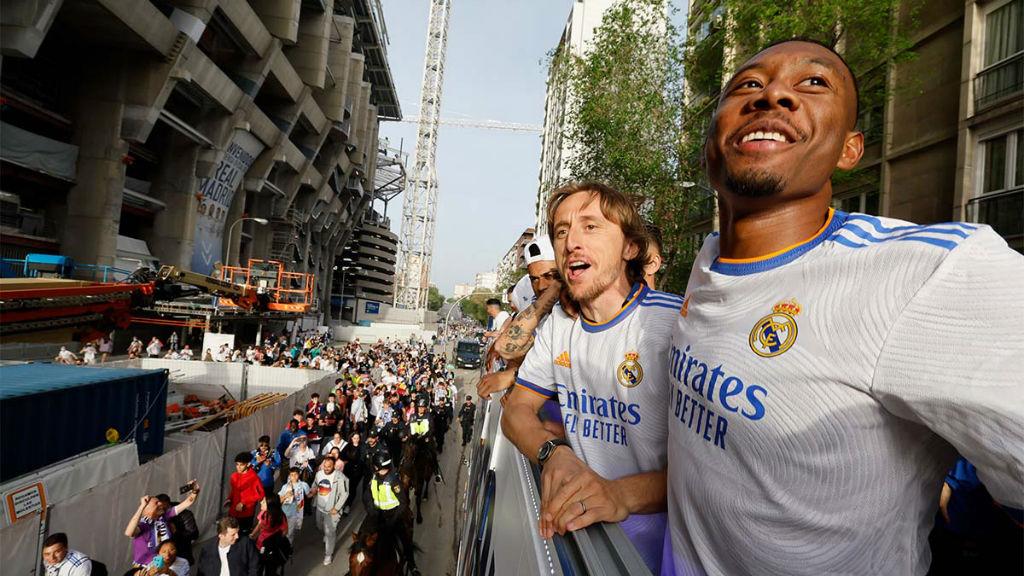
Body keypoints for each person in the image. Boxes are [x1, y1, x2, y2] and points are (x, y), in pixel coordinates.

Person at [661, 39, 1024, 576]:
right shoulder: (709, 259)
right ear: (711, 142)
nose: (773, 95)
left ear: (850, 150)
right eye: (748, 85)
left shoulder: (927, 273)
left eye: (813, 83)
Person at [501, 181, 680, 573]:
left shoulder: (675, 324)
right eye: (562, 231)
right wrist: (553, 453)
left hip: (652, 556)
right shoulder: (560, 325)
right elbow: (516, 410)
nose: (571, 243)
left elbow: (716, 472)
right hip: (579, 545)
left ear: (630, 247)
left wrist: (619, 494)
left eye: (591, 226)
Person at [363, 452, 418, 575]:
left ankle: (412, 565)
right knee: (362, 538)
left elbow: (403, 503)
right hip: (376, 514)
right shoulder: (374, 477)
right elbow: (367, 494)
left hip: (393, 515)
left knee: (404, 540)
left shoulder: (394, 481)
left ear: (377, 466)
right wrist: (370, 508)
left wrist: (393, 521)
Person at [125, 487, 199, 566]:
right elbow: (129, 533)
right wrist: (141, 507)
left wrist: (195, 491)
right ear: (147, 509)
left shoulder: (164, 516)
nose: (160, 503)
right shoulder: (144, 524)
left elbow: (187, 502)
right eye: (156, 503)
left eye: (159, 501)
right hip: (145, 566)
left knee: (182, 564)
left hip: (164, 563)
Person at [312, 455, 348, 565]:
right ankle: (326, 533)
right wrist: (313, 490)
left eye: (329, 466)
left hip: (332, 511)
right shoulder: (319, 474)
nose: (326, 468)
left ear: (334, 466)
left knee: (330, 533)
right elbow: (315, 484)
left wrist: (336, 508)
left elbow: (344, 494)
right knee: (319, 525)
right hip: (319, 508)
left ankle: (328, 555)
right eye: (325, 466)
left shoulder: (340, 477)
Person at [226, 452, 264, 533]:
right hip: (233, 512)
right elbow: (233, 491)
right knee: (231, 533)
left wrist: (243, 502)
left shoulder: (254, 478)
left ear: (248, 464)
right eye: (237, 464)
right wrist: (229, 499)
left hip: (246, 513)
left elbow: (260, 495)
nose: (238, 467)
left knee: (244, 535)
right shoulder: (234, 476)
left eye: (241, 465)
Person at [277, 467, 310, 542]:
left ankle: (289, 545)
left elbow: (308, 495)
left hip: (295, 514)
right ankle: (282, 543)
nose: (294, 476)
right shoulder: (285, 487)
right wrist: (285, 496)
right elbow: (279, 500)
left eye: (295, 474)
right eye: (291, 475)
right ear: (289, 476)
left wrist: (316, 491)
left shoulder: (303, 485)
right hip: (284, 513)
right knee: (281, 530)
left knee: (290, 533)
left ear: (299, 475)